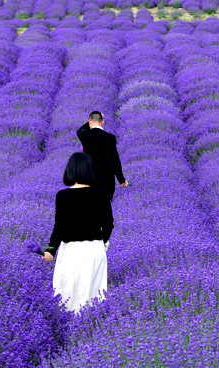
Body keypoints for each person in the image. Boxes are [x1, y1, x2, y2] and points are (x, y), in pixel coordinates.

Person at [41, 153, 113, 312]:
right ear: (90, 171)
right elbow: (109, 224)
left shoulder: (62, 196)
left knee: (67, 292)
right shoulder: (101, 195)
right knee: (94, 292)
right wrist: (102, 242)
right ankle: (92, 328)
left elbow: (59, 227)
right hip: (95, 249)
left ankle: (67, 326)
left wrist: (50, 250)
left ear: (70, 171)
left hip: (70, 250)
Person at [76, 111, 128, 197]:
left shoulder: (85, 135)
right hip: (106, 180)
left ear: (90, 122)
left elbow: (80, 130)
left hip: (90, 178)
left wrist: (90, 121)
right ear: (102, 122)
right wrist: (121, 179)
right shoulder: (109, 138)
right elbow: (115, 159)